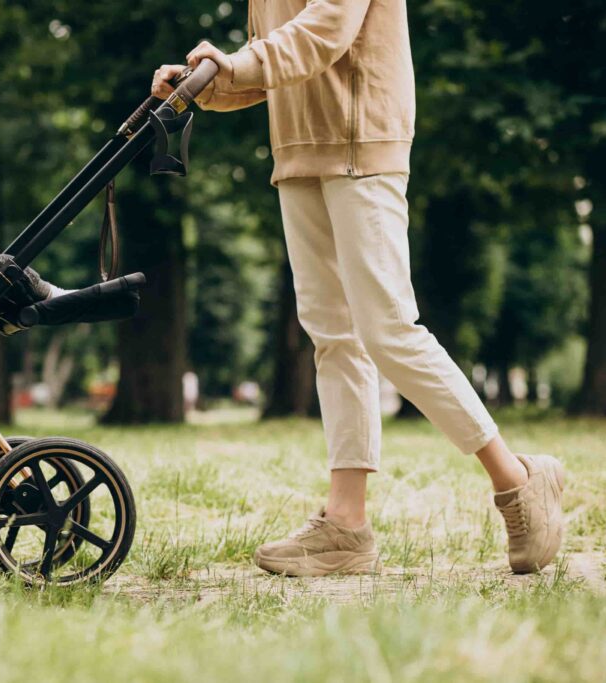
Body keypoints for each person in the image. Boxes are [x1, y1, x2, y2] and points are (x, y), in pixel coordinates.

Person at [152, 0, 566, 576]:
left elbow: (327, 29)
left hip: (362, 142)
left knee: (389, 329)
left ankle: (518, 480)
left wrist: (237, 66)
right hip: (297, 152)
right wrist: (206, 84)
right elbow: (274, 62)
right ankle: (346, 527)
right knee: (334, 337)